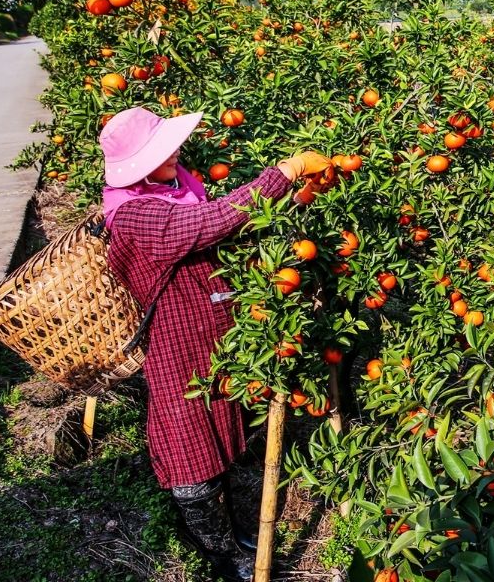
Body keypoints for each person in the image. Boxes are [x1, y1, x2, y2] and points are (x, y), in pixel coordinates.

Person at [99, 106, 328, 582]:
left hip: (213, 333)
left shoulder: (174, 186)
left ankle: (228, 532)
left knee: (221, 422)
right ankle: (219, 551)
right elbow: (207, 225)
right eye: (161, 150)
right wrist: (281, 175)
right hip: (175, 341)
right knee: (186, 440)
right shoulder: (136, 214)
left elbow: (222, 230)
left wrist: (294, 200)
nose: (175, 153)